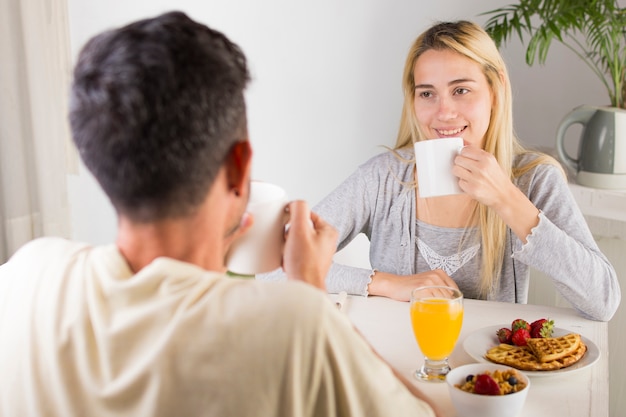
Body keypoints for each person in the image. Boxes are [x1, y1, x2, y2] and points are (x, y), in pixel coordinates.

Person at [0, 11, 440, 417]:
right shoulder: (292, 328)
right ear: (238, 165)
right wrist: (309, 296)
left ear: (96, 158)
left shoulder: (25, 275)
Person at [311, 20, 620, 322]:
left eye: (460, 90)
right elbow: (278, 265)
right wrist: (390, 284)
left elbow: (603, 301)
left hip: (491, 371)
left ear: (495, 92)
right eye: (427, 93)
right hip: (397, 366)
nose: (444, 112)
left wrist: (507, 199)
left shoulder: (534, 180)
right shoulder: (384, 178)